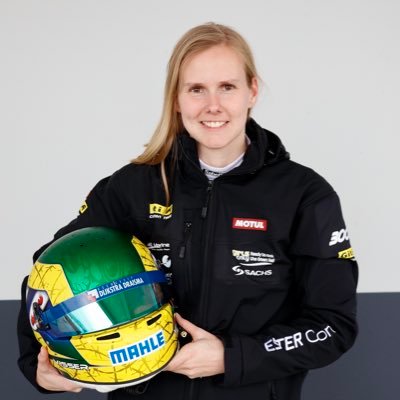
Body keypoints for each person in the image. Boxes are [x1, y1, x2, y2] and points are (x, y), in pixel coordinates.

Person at [17, 22, 358, 400]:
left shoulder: (304, 195)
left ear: (252, 91)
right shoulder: (132, 187)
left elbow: (332, 326)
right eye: (196, 89)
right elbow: (50, 271)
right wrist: (38, 366)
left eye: (227, 87)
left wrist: (231, 357)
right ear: (176, 99)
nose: (213, 105)